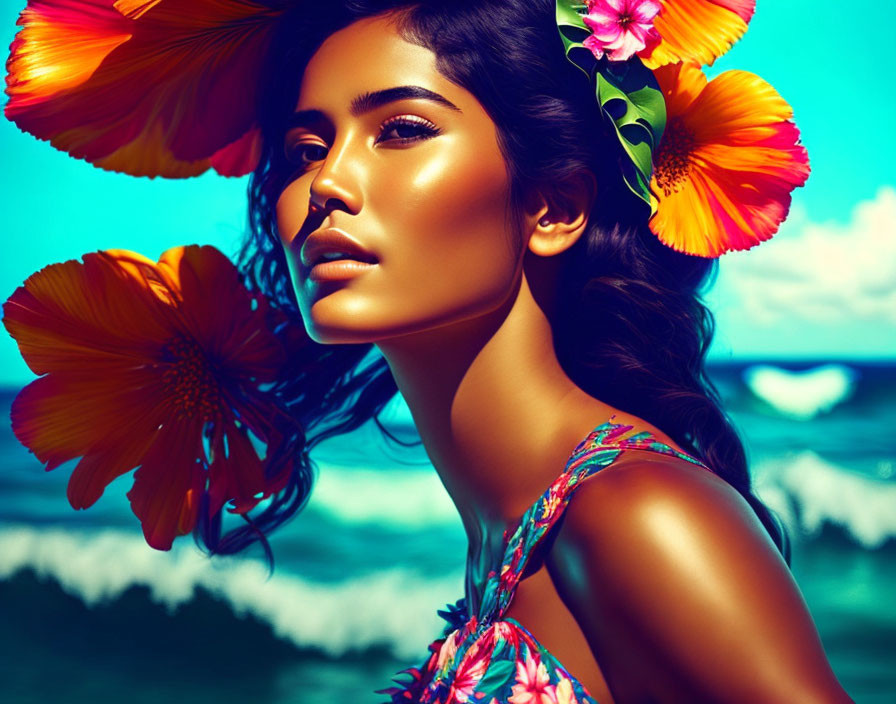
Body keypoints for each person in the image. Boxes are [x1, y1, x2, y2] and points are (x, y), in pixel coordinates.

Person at [4, 0, 854, 701]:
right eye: (307, 149)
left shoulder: (638, 515)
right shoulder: (517, 529)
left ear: (552, 207)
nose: (324, 185)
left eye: (401, 130)